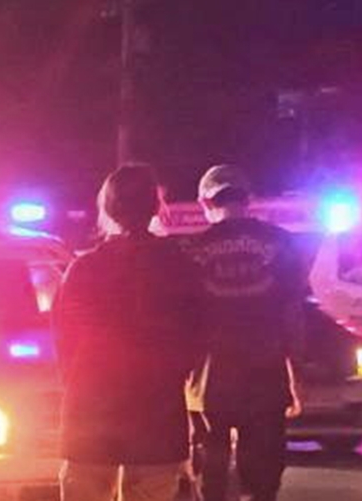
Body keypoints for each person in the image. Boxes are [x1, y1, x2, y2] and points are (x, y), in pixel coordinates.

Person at [52, 164, 205, 501]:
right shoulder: (180, 267)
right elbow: (197, 335)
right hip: (157, 411)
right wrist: (173, 374)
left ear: (107, 209)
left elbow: (64, 339)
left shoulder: (83, 269)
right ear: (155, 207)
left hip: (90, 411)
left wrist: (76, 382)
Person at [189, 165, 307, 501]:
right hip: (265, 379)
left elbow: (180, 318)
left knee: (210, 477)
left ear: (205, 203)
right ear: (248, 200)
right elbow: (292, 313)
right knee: (263, 480)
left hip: (208, 381)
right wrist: (297, 375)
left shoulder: (191, 249)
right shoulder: (282, 243)